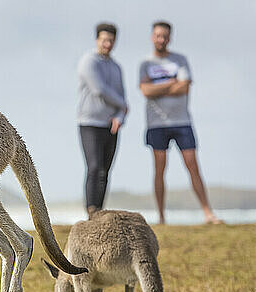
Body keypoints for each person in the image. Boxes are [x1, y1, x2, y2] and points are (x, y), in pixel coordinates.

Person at [139, 21, 222, 224]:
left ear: (170, 38)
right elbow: (145, 91)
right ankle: (161, 216)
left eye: (165, 36)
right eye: (158, 35)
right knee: (160, 168)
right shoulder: (146, 63)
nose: (161, 39)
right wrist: (171, 83)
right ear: (152, 37)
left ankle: (207, 212)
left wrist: (157, 87)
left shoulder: (180, 60)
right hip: (156, 123)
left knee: (193, 165)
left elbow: (184, 87)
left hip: (182, 121)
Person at [77, 23, 128, 218]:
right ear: (97, 40)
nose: (107, 44)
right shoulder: (88, 61)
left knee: (105, 171)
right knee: (95, 167)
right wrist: (123, 105)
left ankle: (98, 211)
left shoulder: (116, 67)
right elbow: (99, 90)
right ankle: (91, 209)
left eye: (111, 40)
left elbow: (122, 97)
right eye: (104, 40)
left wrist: (121, 115)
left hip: (111, 125)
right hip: (89, 123)